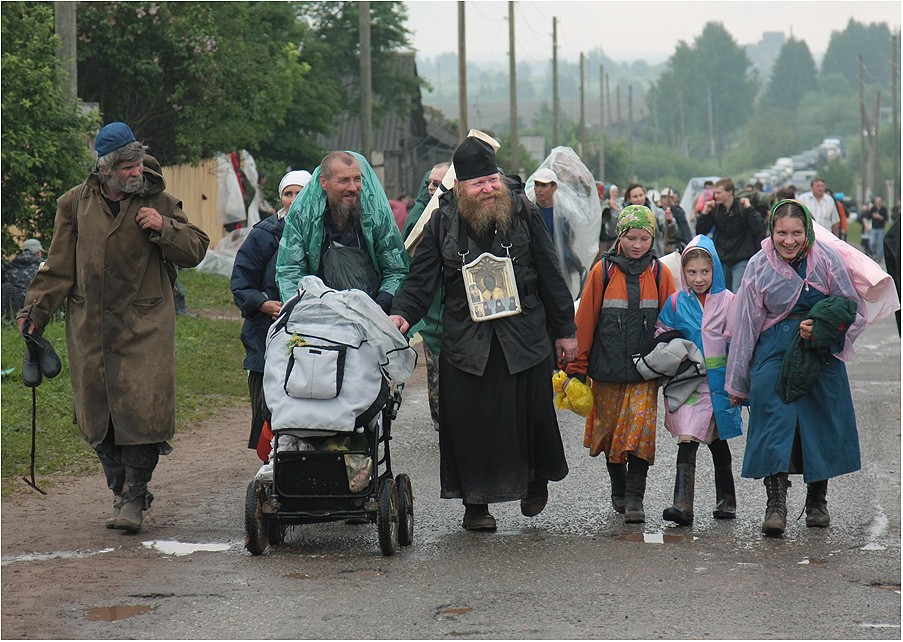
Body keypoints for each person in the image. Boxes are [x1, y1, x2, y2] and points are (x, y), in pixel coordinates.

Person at [16, 121, 210, 532]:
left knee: (142, 413)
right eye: (125, 166)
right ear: (105, 169)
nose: (134, 172)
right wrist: (34, 313)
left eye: (137, 163)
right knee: (98, 416)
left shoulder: (158, 198)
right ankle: (122, 489)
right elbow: (57, 268)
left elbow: (196, 249)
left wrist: (164, 228)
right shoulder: (74, 204)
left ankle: (134, 497)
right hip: (91, 327)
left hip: (145, 325)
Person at [388, 136, 577, 531]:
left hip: (523, 333)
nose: (489, 189)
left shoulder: (522, 211)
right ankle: (475, 505)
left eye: (492, 180)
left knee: (531, 415)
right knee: (469, 422)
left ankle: (533, 482)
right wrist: (402, 315)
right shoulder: (442, 222)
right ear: (461, 188)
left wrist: (565, 331)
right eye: (479, 184)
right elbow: (421, 281)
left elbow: (550, 273)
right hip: (467, 339)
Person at [725, 199, 868, 537]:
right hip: (774, 349)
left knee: (820, 418)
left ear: (808, 231)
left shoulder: (828, 260)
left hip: (820, 351)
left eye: (796, 233)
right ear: (771, 232)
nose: (788, 240)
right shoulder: (759, 266)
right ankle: (775, 504)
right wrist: (738, 382)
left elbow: (851, 309)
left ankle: (818, 501)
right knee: (774, 416)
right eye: (781, 233)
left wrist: (822, 329)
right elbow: (745, 325)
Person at [565, 205, 676, 523]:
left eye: (643, 238)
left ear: (652, 239)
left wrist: (672, 365)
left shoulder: (660, 274)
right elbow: (585, 321)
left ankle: (634, 499)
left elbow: (671, 322)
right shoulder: (602, 271)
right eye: (631, 237)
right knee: (612, 436)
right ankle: (618, 483)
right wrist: (577, 367)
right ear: (619, 237)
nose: (637, 244)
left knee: (639, 435)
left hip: (645, 373)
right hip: (606, 370)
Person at [655, 235, 743, 526]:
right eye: (692, 272)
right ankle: (682, 505)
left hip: (720, 386)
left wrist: (739, 382)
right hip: (690, 383)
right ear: (684, 273)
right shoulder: (677, 302)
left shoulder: (729, 301)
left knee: (718, 442)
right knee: (688, 437)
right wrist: (673, 353)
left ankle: (726, 501)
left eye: (705, 271)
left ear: (715, 269)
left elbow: (739, 340)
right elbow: (662, 331)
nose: (699, 278)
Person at [231, 170, 312, 455]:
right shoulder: (265, 235)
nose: (293, 200)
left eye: (300, 193)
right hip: (265, 336)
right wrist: (263, 304)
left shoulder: (322, 232)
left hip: (311, 337)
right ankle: (272, 466)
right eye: (288, 194)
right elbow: (241, 283)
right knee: (268, 408)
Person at [275, 151, 408, 311]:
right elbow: (290, 270)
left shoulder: (376, 217)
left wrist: (381, 304)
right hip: (318, 315)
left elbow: (396, 269)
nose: (353, 187)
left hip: (373, 312)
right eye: (344, 180)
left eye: (357, 179)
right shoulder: (303, 217)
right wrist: (303, 310)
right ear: (323, 182)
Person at [401, 161, 452, 432]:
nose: (431, 188)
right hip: (430, 310)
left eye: (438, 184)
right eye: (429, 183)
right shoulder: (419, 216)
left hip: (458, 311)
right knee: (436, 372)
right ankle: (442, 424)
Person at [694, 178, 764, 292]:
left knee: (738, 290)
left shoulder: (742, 207)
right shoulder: (715, 210)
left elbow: (757, 228)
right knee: (724, 291)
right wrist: (704, 214)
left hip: (741, 257)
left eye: (719, 192)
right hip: (723, 257)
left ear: (730, 192)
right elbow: (700, 232)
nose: (715, 196)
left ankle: (738, 310)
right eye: (715, 193)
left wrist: (750, 209)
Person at [2, 238, 45, 322]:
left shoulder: (9, 265)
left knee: (5, 287)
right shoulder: (43, 264)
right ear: (37, 252)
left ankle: (7, 322)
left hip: (11, 306)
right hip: (35, 306)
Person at [622, 183, 667, 257]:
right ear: (629, 199)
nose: (639, 199)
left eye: (641, 195)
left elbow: (666, 231)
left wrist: (669, 222)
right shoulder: (624, 215)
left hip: (654, 254)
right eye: (635, 196)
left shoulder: (657, 212)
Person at [659, 188, 691, 254]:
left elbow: (685, 231)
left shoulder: (678, 212)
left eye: (670, 198)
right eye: (664, 197)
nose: (667, 200)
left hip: (674, 248)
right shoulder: (657, 212)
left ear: (673, 199)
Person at [598, 183, 620, 256]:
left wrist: (615, 208)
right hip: (604, 234)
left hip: (615, 234)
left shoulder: (619, 203)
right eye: (613, 192)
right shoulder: (604, 203)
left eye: (616, 192)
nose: (615, 194)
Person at [868, 196, 888, 264]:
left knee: (880, 244)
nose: (878, 202)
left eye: (879, 201)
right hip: (874, 228)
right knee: (872, 242)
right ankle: (874, 253)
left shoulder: (884, 209)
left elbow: (886, 218)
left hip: (881, 228)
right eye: (877, 201)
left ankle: (879, 258)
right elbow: (869, 216)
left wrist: (879, 217)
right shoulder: (873, 208)